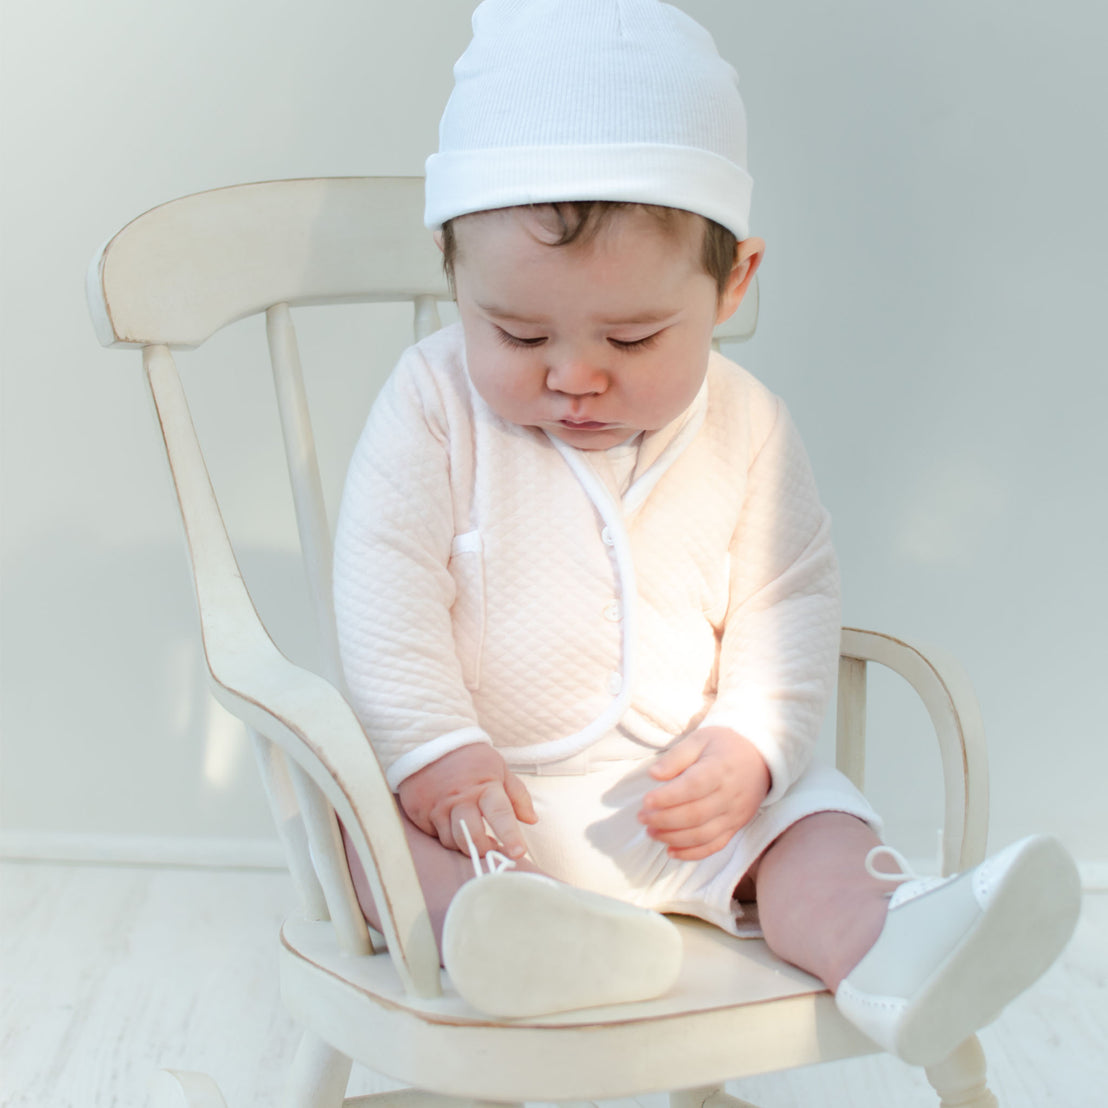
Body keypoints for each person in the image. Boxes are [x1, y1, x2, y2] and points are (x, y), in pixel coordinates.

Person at [332, 0, 1080, 1065]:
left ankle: (890, 948)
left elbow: (790, 597)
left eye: (633, 335)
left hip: (694, 806)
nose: (573, 373)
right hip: (495, 814)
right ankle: (527, 944)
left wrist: (750, 744)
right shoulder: (430, 405)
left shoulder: (747, 427)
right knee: (369, 837)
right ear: (454, 278)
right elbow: (384, 584)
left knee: (817, 823)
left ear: (732, 283)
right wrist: (437, 753)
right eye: (516, 330)